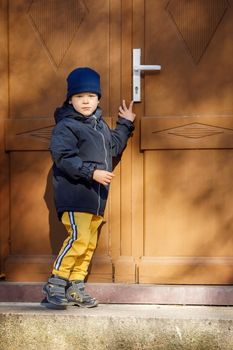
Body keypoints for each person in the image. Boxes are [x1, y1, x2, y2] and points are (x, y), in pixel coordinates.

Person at [43, 67, 136, 307]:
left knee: (88, 243)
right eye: (79, 96)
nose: (86, 101)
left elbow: (113, 146)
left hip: (96, 199)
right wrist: (91, 172)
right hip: (75, 194)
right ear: (70, 99)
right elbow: (63, 156)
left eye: (91, 96)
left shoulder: (100, 126)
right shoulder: (67, 126)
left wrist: (125, 123)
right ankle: (56, 282)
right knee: (78, 237)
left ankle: (76, 286)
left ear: (98, 99)